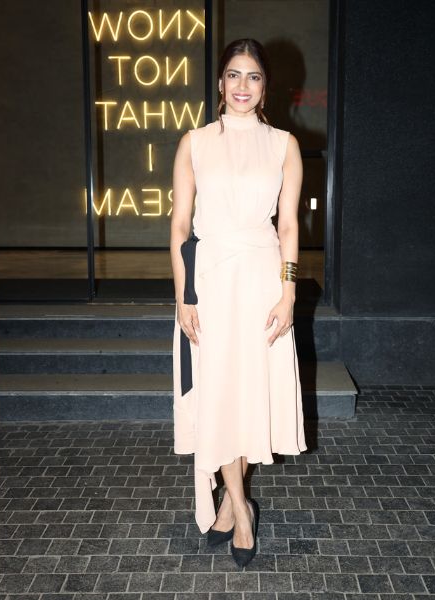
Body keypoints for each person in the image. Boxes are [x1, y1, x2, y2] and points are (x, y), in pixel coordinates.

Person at [170, 38, 307, 568]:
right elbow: (180, 226)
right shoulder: (195, 143)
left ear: (265, 86)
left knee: (252, 395)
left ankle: (232, 501)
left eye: (253, 76)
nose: (242, 85)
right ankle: (242, 510)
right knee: (219, 393)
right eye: (233, 74)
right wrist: (183, 295)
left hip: (262, 280)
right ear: (220, 83)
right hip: (209, 283)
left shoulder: (284, 145)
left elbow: (290, 226)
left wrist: (289, 291)